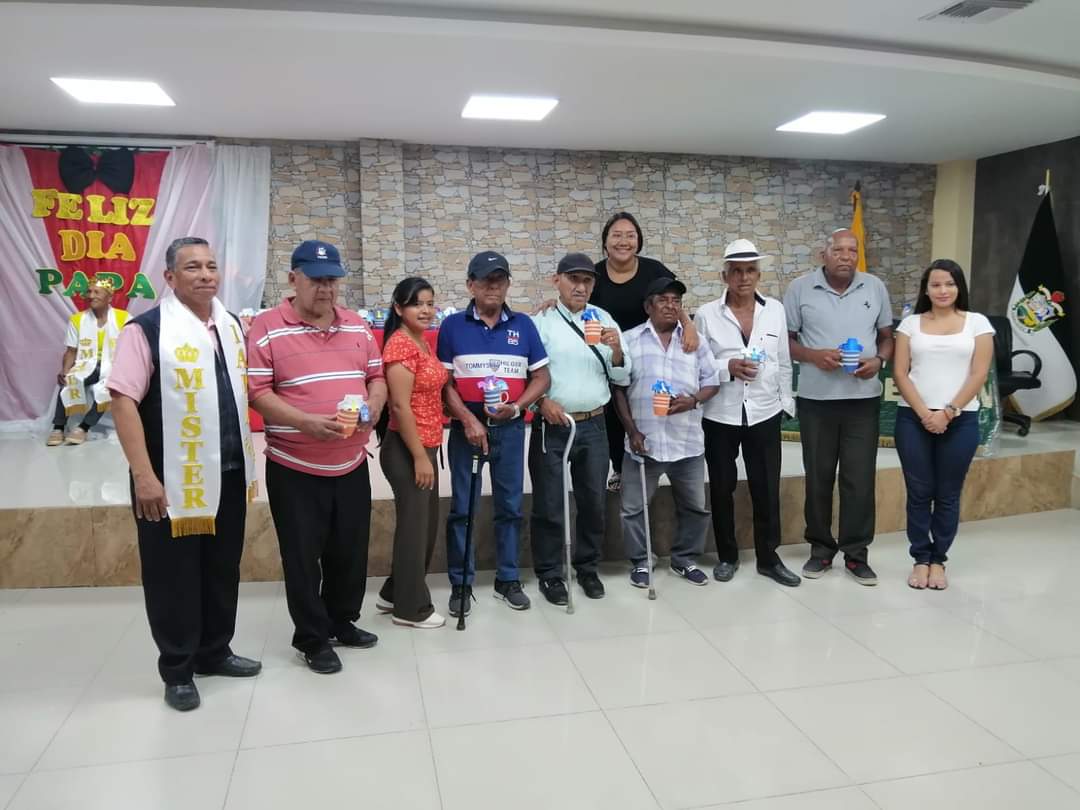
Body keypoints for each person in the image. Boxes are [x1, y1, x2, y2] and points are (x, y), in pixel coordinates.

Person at [107, 237, 260, 712]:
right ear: (170, 277)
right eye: (192, 267)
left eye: (211, 265)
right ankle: (177, 669)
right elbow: (123, 401)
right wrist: (144, 476)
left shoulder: (230, 326)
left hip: (228, 471)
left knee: (221, 568)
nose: (206, 275)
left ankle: (215, 651)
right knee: (172, 576)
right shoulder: (147, 330)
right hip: (171, 478)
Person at [247, 240, 387, 674]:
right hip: (295, 466)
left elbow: (377, 376)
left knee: (349, 550)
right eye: (316, 280)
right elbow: (257, 391)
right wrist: (305, 422)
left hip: (351, 462)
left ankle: (342, 621)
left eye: (332, 280)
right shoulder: (267, 327)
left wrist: (373, 407)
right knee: (303, 557)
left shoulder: (356, 325)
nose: (326, 289)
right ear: (294, 279)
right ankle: (312, 637)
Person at [438, 251, 550, 618]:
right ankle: (461, 583)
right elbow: (444, 383)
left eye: (500, 280)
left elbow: (541, 377)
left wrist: (517, 408)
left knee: (511, 507)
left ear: (507, 285)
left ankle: (508, 579)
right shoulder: (453, 326)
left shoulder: (524, 325)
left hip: (510, 428)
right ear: (470, 285)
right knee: (463, 508)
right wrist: (468, 421)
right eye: (486, 280)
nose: (493, 286)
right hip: (466, 429)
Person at [783, 228, 894, 585]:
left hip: (862, 400)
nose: (846, 256)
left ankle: (856, 555)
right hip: (817, 402)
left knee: (859, 480)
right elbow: (786, 341)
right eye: (839, 250)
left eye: (852, 250)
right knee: (818, 477)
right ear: (824, 254)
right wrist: (813, 356)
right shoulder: (800, 288)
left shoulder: (874, 287)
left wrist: (878, 361)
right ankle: (820, 549)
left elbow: (887, 337)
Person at [696, 240, 801, 587]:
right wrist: (727, 366)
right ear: (724, 276)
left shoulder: (775, 310)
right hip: (720, 414)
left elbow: (782, 360)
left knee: (766, 488)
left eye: (750, 270)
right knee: (721, 488)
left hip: (765, 412)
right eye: (737, 271)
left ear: (758, 275)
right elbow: (698, 364)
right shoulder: (707, 314)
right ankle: (727, 556)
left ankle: (769, 558)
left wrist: (785, 404)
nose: (744, 277)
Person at [529, 253, 630, 605]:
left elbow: (621, 375)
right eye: (573, 279)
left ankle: (587, 567)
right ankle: (549, 573)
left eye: (587, 280)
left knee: (593, 501)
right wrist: (541, 403)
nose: (581, 286)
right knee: (549, 503)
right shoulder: (541, 321)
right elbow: (526, 372)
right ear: (556, 281)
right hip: (552, 424)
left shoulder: (603, 319)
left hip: (595, 423)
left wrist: (616, 350)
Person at [892, 260, 994, 591]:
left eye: (949, 284)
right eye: (935, 284)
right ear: (926, 289)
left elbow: (979, 373)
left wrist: (948, 412)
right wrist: (925, 413)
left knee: (948, 493)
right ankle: (920, 558)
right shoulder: (910, 324)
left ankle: (938, 560)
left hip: (960, 418)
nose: (943, 290)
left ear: (959, 287)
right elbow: (900, 373)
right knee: (919, 492)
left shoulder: (977, 323)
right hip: (914, 418)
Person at [613, 277, 720, 587]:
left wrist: (694, 400)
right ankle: (641, 561)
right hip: (643, 443)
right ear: (648, 306)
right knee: (633, 509)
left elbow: (712, 381)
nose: (671, 306)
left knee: (695, 508)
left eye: (676, 301)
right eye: (663, 300)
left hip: (687, 442)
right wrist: (631, 430)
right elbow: (619, 388)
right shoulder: (630, 340)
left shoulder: (694, 341)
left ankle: (684, 559)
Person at [589, 212, 699, 492]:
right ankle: (619, 467)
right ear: (605, 242)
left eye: (630, 235)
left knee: (652, 405)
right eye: (616, 235)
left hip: (647, 350)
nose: (623, 241)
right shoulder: (595, 274)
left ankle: (664, 463)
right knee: (613, 412)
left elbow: (673, 300)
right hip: (608, 355)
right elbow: (577, 303)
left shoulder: (654, 270)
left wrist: (688, 326)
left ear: (638, 241)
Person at [375, 277, 449, 628]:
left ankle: (393, 593)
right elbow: (400, 407)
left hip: (425, 447)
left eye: (430, 303)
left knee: (423, 526)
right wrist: (419, 456)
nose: (426, 310)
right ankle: (411, 609)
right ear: (398, 308)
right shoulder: (401, 345)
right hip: (408, 450)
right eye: (417, 303)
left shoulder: (420, 341)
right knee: (415, 531)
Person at [49, 275, 130, 446]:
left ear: (109, 297)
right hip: (86, 364)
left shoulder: (124, 318)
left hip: (114, 366)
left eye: (97, 292)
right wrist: (65, 370)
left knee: (108, 388)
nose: (91, 296)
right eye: (89, 292)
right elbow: (71, 351)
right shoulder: (77, 319)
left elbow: (131, 349)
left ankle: (83, 428)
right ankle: (58, 427)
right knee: (69, 380)